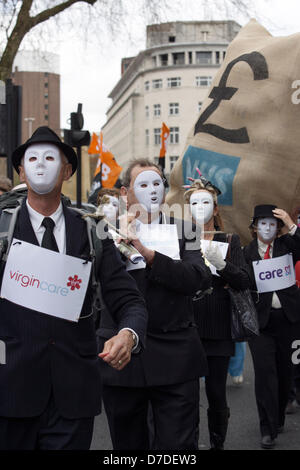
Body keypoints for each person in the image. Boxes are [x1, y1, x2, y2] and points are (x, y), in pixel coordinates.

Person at [0, 126, 148, 450]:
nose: (41, 165)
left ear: (67, 170)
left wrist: (127, 334)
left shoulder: (93, 229)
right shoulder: (2, 229)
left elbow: (129, 300)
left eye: (51, 157)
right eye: (32, 158)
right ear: (21, 169)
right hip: (10, 392)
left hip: (74, 398)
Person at [97, 158, 212, 450]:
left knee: (179, 445)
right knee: (128, 445)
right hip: (124, 356)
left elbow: (196, 278)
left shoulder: (185, 230)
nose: (152, 190)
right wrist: (117, 243)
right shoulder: (104, 234)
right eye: (143, 184)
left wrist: (147, 254)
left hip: (176, 353)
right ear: (125, 193)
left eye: (157, 183)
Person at [184, 173, 251, 450]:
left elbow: (244, 280)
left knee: (215, 393)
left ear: (215, 207)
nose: (200, 208)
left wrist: (222, 265)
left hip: (218, 326)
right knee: (185, 394)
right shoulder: (183, 238)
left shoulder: (230, 239)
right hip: (187, 325)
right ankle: (186, 444)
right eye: (194, 202)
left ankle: (217, 444)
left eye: (205, 202)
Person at [243, 204, 300, 449]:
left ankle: (277, 417)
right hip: (261, 322)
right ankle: (267, 428)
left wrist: (289, 220)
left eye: (272, 224)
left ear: (278, 228)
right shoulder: (246, 252)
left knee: (284, 372)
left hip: (287, 319)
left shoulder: (287, 246)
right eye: (263, 223)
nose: (267, 228)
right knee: (265, 374)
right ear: (255, 227)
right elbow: (239, 278)